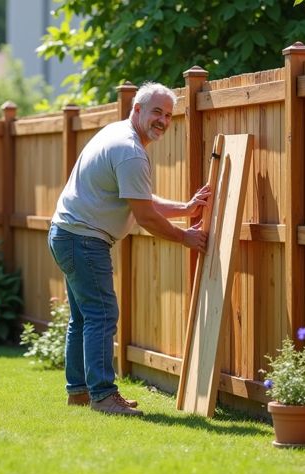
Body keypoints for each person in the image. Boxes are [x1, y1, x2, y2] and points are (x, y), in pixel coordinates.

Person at [48, 82, 210, 416]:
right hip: (83, 240)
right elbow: (145, 215)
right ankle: (104, 396)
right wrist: (185, 237)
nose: (163, 120)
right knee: (102, 315)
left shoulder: (118, 135)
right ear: (137, 109)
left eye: (168, 114)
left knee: (83, 317)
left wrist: (186, 208)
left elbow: (139, 199)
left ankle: (80, 391)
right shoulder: (130, 150)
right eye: (156, 112)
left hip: (67, 234)